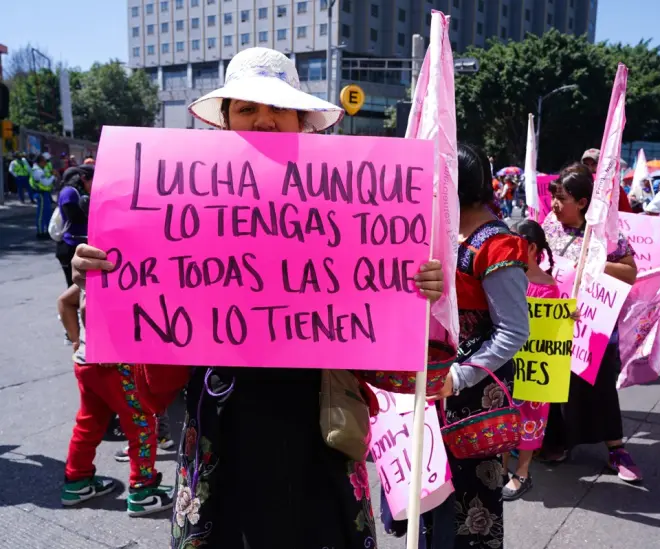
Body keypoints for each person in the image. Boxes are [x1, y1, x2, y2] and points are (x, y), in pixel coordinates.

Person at [70, 47, 445, 549]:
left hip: (321, 455)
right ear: (225, 124)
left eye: (278, 110)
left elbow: (399, 372)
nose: (264, 122)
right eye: (247, 109)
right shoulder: (179, 215)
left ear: (302, 122)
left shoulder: (349, 212)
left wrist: (418, 298)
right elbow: (153, 389)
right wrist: (109, 282)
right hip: (224, 461)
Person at [380, 144, 530, 548]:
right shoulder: (440, 234)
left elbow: (513, 331)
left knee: (467, 508)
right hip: (430, 393)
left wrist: (458, 377)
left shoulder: (498, 245)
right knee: (426, 499)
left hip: (469, 398)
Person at [540, 162, 642, 482]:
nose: (555, 206)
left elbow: (630, 272)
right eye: (553, 198)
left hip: (593, 326)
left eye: (562, 199)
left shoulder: (606, 234)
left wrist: (597, 264)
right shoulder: (549, 227)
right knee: (557, 387)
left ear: (582, 203)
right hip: (555, 323)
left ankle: (616, 449)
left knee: (599, 387)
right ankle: (558, 441)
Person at [58, 284, 174, 516]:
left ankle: (77, 480)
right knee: (140, 423)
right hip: (112, 365)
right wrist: (104, 345)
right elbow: (86, 306)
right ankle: (143, 490)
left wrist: (76, 339)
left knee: (89, 423)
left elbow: (65, 301)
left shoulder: (89, 272)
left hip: (85, 362)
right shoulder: (114, 270)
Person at [501, 219, 562, 501]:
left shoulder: (549, 285)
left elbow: (554, 328)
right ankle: (499, 469)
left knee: (531, 418)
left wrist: (566, 318)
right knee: (503, 414)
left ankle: (522, 473)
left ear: (532, 247)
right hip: (507, 363)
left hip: (535, 369)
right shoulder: (504, 278)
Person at [56, 166, 93, 287]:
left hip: (78, 243)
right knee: (75, 288)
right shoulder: (69, 193)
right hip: (71, 245)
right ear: (84, 178)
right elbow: (74, 217)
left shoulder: (78, 192)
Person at [581, 148, 634, 213]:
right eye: (586, 165)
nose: (590, 168)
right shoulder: (577, 183)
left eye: (594, 164)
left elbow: (626, 212)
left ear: (603, 165)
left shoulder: (613, 185)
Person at [30, 154, 56, 239]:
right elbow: (46, 183)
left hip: (45, 193)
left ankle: (46, 231)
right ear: (40, 162)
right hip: (41, 194)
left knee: (47, 214)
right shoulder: (37, 171)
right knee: (41, 214)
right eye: (45, 161)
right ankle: (40, 232)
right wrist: (53, 176)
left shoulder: (41, 169)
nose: (46, 163)